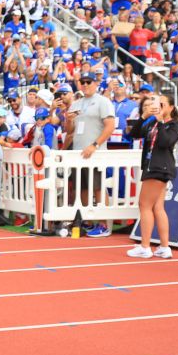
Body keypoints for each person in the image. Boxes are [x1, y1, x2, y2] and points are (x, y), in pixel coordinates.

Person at [126, 92, 178, 259]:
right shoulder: (154, 124)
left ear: (171, 107)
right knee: (157, 207)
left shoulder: (174, 125)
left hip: (160, 168)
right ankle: (164, 247)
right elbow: (134, 133)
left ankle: (145, 246)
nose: (158, 108)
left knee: (144, 205)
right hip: (153, 167)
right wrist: (144, 116)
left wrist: (160, 120)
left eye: (162, 105)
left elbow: (166, 142)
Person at [64, 71, 116, 237]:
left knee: (98, 187)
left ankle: (104, 223)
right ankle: (88, 220)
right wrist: (68, 120)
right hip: (78, 152)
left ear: (96, 84)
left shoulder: (103, 102)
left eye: (89, 82)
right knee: (83, 188)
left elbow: (110, 126)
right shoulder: (76, 103)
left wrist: (95, 145)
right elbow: (69, 131)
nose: (85, 84)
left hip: (95, 152)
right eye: (82, 82)